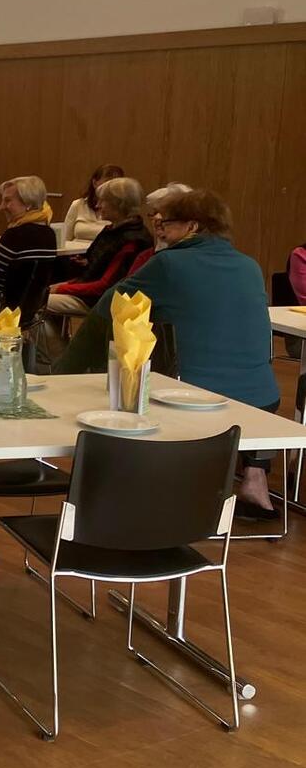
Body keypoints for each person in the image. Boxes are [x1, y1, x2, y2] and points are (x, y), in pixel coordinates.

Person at [55, 189, 282, 521]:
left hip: (195, 397)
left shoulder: (169, 264)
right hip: (264, 401)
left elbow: (109, 306)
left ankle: (137, 489)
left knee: (132, 374)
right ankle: (255, 476)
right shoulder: (250, 265)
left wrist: (65, 372)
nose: (160, 229)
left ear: (192, 226)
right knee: (240, 378)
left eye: (168, 223)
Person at [35, 177, 150, 366]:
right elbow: (94, 266)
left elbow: (104, 287)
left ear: (119, 205)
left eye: (103, 201)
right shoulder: (113, 230)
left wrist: (62, 288)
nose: (98, 205)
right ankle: (62, 354)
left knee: (33, 303)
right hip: (88, 290)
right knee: (42, 294)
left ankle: (63, 361)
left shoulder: (132, 240)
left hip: (100, 300)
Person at [0, 175, 56, 323]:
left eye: (7, 201)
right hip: (30, 313)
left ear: (28, 204)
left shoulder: (15, 235)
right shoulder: (50, 234)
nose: (1, 207)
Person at [62, 163, 125, 243]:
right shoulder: (78, 204)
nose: (111, 187)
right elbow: (65, 238)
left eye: (115, 184)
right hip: (74, 250)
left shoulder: (120, 209)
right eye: (107, 182)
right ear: (95, 183)